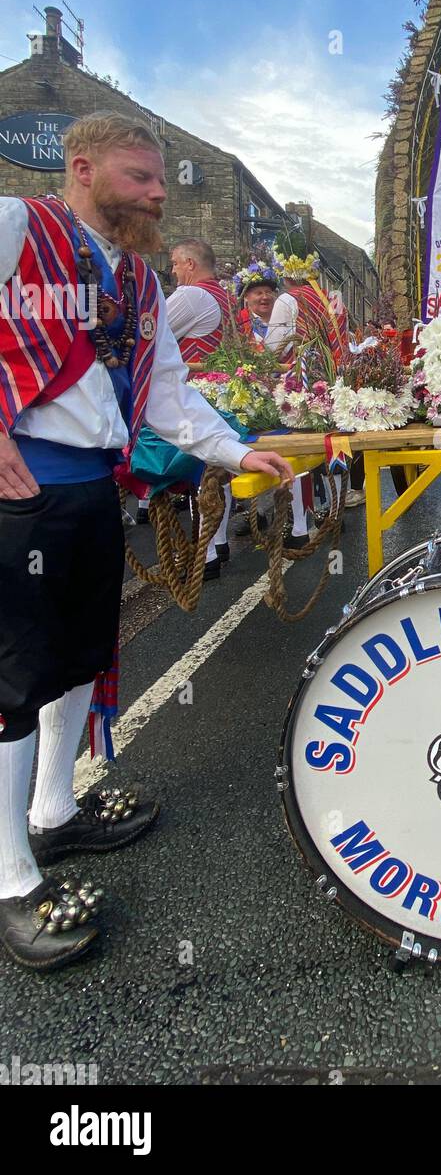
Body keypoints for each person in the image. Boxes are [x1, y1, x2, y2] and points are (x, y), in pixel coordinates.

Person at [0, 112, 294, 971]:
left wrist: (237, 451)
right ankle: (11, 879)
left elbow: (167, 393)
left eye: (163, 180)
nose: (161, 195)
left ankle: (54, 815)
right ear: (82, 168)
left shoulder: (135, 280)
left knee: (75, 660)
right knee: (14, 680)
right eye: (142, 178)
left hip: (90, 483)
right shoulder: (16, 224)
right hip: (18, 488)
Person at [265, 252, 362, 524]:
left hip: (300, 381)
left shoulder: (287, 299)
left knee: (297, 449)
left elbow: (274, 348)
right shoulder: (331, 299)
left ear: (285, 276)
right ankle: (333, 511)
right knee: (327, 446)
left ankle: (298, 526)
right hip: (330, 381)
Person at [161, 238, 238, 575]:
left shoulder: (191, 295)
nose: (174, 271)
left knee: (193, 474)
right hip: (222, 391)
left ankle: (204, 555)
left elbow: (152, 332)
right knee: (215, 472)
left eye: (176, 264)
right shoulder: (225, 296)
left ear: (190, 264)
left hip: (196, 392)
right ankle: (216, 544)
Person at [234, 261, 280, 345]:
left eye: (268, 292)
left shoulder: (284, 317)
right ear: (246, 296)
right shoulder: (238, 323)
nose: (265, 297)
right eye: (259, 293)